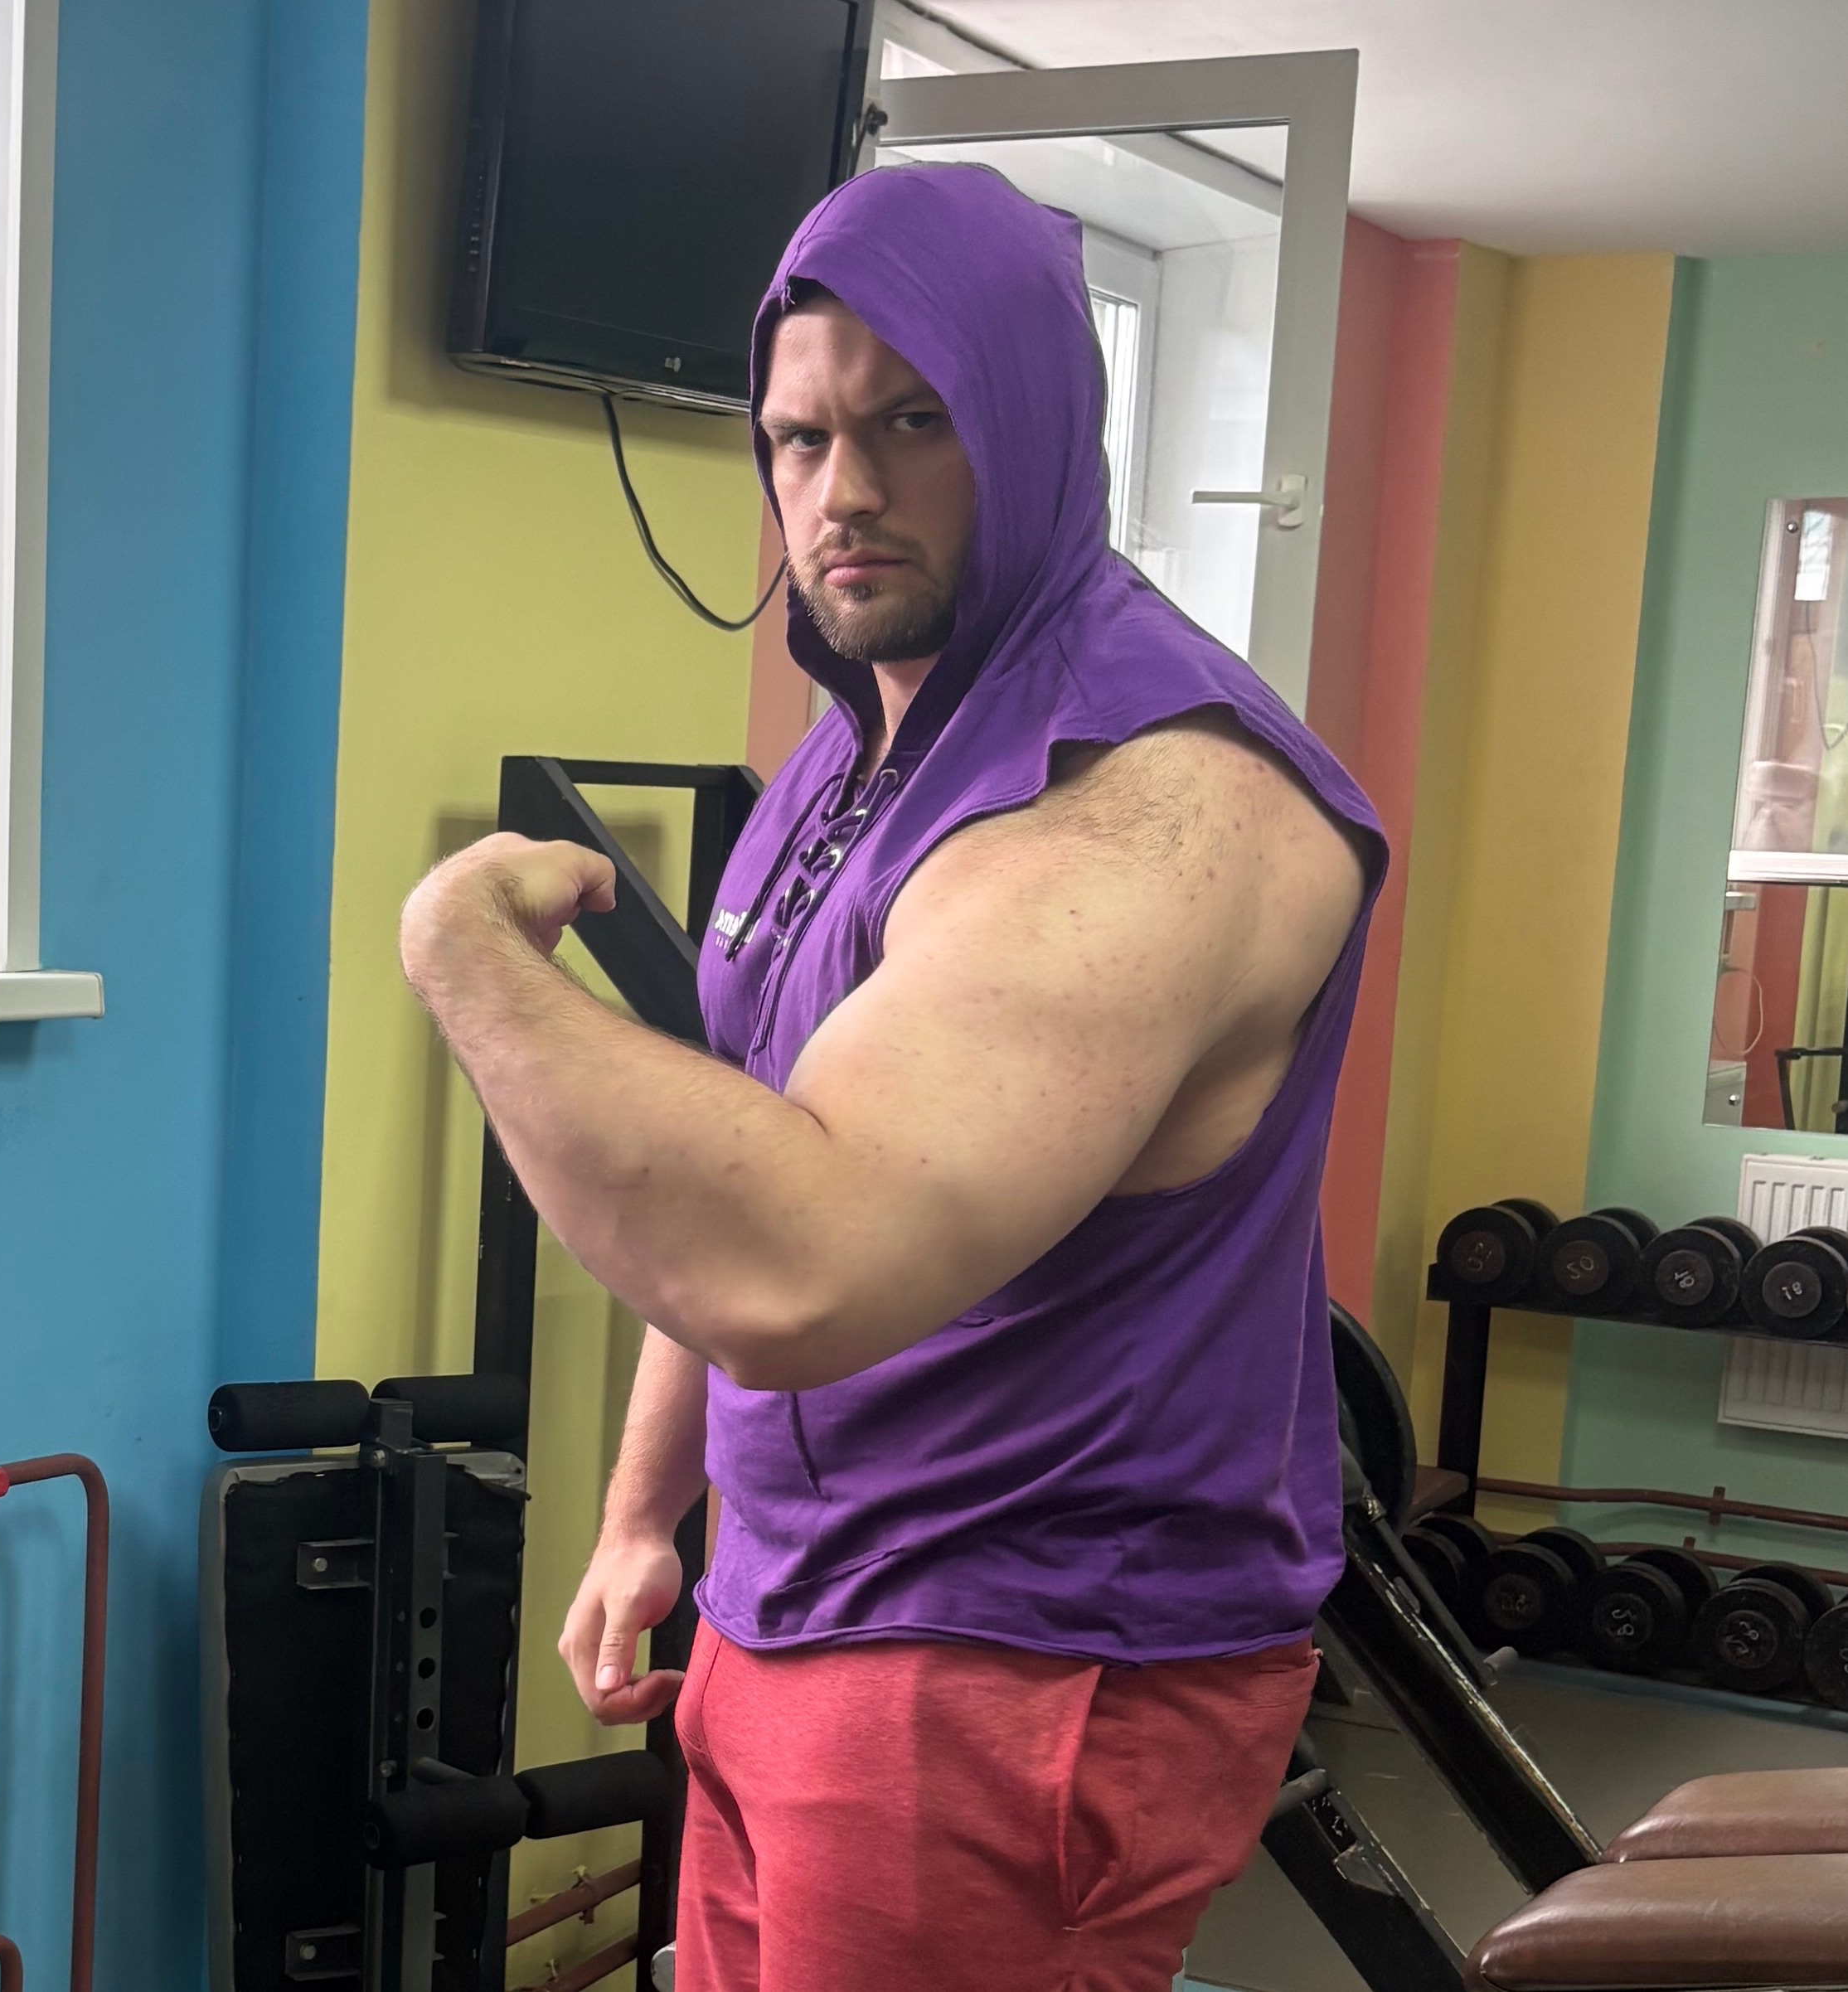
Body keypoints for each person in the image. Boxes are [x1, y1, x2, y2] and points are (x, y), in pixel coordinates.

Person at [400, 164, 1383, 1992]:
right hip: (801, 1600)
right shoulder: (860, 752)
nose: (840, 491)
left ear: (1031, 421)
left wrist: (464, 952)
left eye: (910, 423)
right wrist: (644, 1509)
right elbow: (741, 1146)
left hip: (1011, 1645)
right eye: (800, 438)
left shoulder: (1148, 802)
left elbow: (798, 1257)